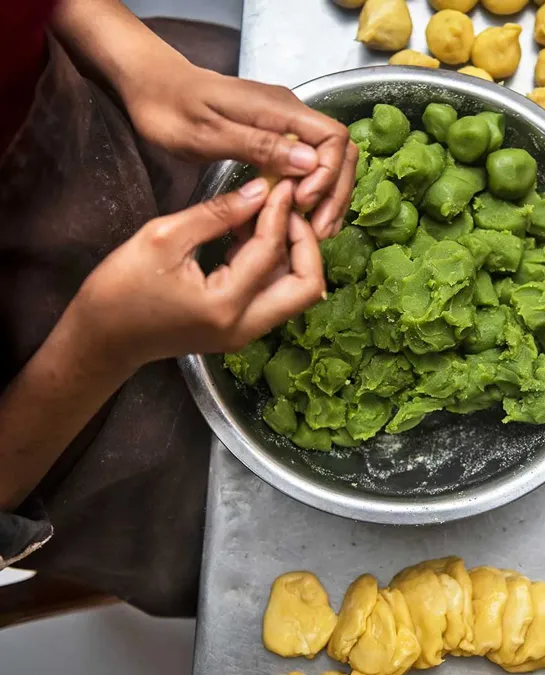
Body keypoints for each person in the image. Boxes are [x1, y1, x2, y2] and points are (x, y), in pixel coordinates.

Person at [0, 0, 356, 616]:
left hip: (112, 115)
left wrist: (139, 62)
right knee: (239, 540)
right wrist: (98, 346)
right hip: (76, 436)